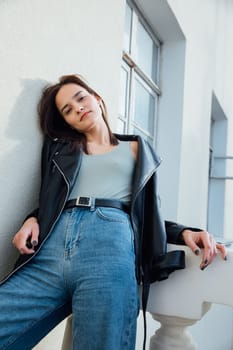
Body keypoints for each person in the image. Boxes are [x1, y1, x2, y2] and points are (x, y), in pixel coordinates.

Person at [0, 74, 227, 350]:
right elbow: (52, 199)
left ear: (97, 99)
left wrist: (185, 232)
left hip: (109, 246)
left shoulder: (136, 149)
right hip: (51, 248)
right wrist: (32, 218)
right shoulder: (61, 150)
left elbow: (147, 214)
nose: (78, 108)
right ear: (67, 122)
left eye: (80, 98)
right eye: (67, 110)